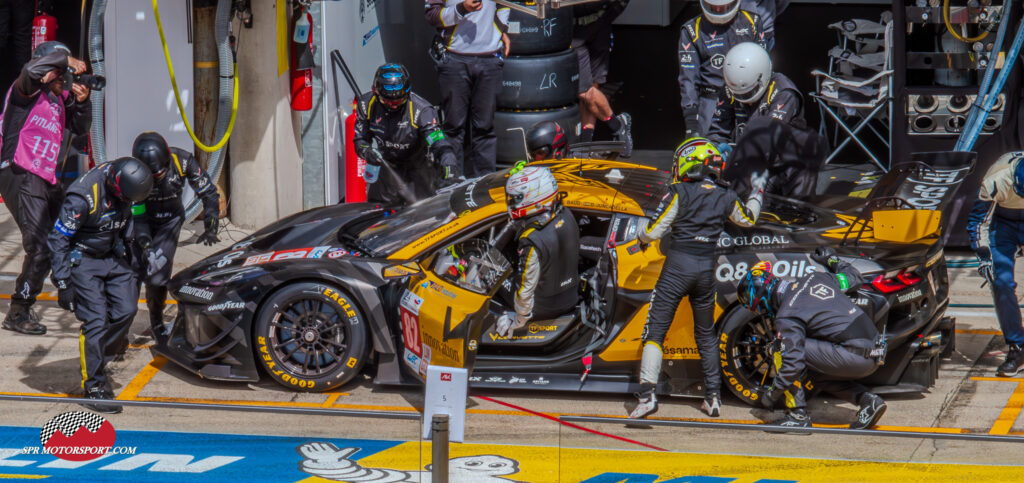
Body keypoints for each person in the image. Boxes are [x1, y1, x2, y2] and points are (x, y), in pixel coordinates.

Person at [629, 138, 766, 419]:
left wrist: (640, 237)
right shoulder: (726, 195)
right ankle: (713, 398)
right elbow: (748, 219)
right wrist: (758, 190)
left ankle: (646, 397)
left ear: (690, 163)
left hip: (677, 269)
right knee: (706, 335)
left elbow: (654, 231)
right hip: (706, 271)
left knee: (655, 333)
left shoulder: (679, 191)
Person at [737, 250, 888, 431]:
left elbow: (792, 364)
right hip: (875, 350)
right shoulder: (816, 278)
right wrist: (830, 259)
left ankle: (797, 415)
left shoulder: (787, 315)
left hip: (855, 356)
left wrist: (771, 394)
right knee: (815, 375)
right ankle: (868, 401)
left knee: (780, 349)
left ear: (760, 297)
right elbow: (854, 276)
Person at [48, 157, 154, 414]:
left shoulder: (130, 190)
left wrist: (139, 245)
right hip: (83, 260)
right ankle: (93, 385)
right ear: (115, 187)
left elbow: (136, 214)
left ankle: (98, 355)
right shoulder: (83, 198)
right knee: (96, 320)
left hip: (112, 254)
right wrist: (63, 282)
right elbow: (58, 238)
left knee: (127, 310)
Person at [0, 40, 91, 335]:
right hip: (20, 171)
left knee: (68, 233)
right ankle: (18, 311)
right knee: (38, 246)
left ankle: (70, 287)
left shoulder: (57, 102)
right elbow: (31, 69)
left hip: (45, 178)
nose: (64, 81)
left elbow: (80, 129)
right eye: (59, 74)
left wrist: (82, 101)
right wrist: (65, 60)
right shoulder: (24, 93)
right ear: (47, 71)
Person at [131, 132, 220, 337]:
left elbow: (209, 192)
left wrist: (211, 226)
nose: (157, 179)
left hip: (169, 222)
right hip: (140, 218)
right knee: (133, 271)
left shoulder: (183, 161)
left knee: (157, 274)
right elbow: (134, 209)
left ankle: (156, 321)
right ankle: (121, 322)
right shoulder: (132, 169)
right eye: (152, 176)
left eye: (160, 174)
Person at [425, 0, 510, 177]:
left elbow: (505, 5)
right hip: (454, 59)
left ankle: (485, 182)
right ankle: (452, 180)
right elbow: (432, 16)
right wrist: (461, 8)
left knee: (484, 128)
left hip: (489, 60)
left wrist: (501, 30)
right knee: (453, 127)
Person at [354, 63, 458, 205]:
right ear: (376, 93)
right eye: (388, 101)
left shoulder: (422, 110)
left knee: (422, 215)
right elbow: (360, 139)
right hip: (386, 167)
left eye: (399, 100)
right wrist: (367, 152)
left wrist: (449, 166)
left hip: (417, 170)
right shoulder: (366, 104)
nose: (394, 105)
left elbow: (439, 143)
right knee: (377, 214)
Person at [495, 166, 579, 337]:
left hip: (545, 307)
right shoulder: (567, 213)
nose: (511, 203)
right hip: (571, 295)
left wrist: (520, 319)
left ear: (533, 197)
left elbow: (525, 290)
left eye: (515, 198)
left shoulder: (531, 239)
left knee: (493, 265)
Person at [966, 151, 1024, 377]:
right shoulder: (996, 179)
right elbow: (977, 221)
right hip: (1005, 224)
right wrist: (983, 256)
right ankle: (1017, 347)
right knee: (1000, 282)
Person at [678, 0, 764, 139]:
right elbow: (688, 80)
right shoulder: (692, 30)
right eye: (713, 6)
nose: (718, 10)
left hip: (748, 102)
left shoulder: (752, 22)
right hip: (712, 105)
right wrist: (691, 123)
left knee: (752, 153)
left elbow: (763, 68)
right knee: (710, 155)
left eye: (723, 7)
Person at [571, 0, 633, 156]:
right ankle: (618, 125)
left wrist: (610, 15)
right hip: (574, 31)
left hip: (600, 25)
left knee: (593, 86)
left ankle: (586, 144)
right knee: (584, 92)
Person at [714, 42, 802, 144]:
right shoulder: (732, 87)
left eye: (748, 93)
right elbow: (718, 130)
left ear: (762, 78)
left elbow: (768, 138)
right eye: (739, 94)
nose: (744, 99)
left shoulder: (784, 93)